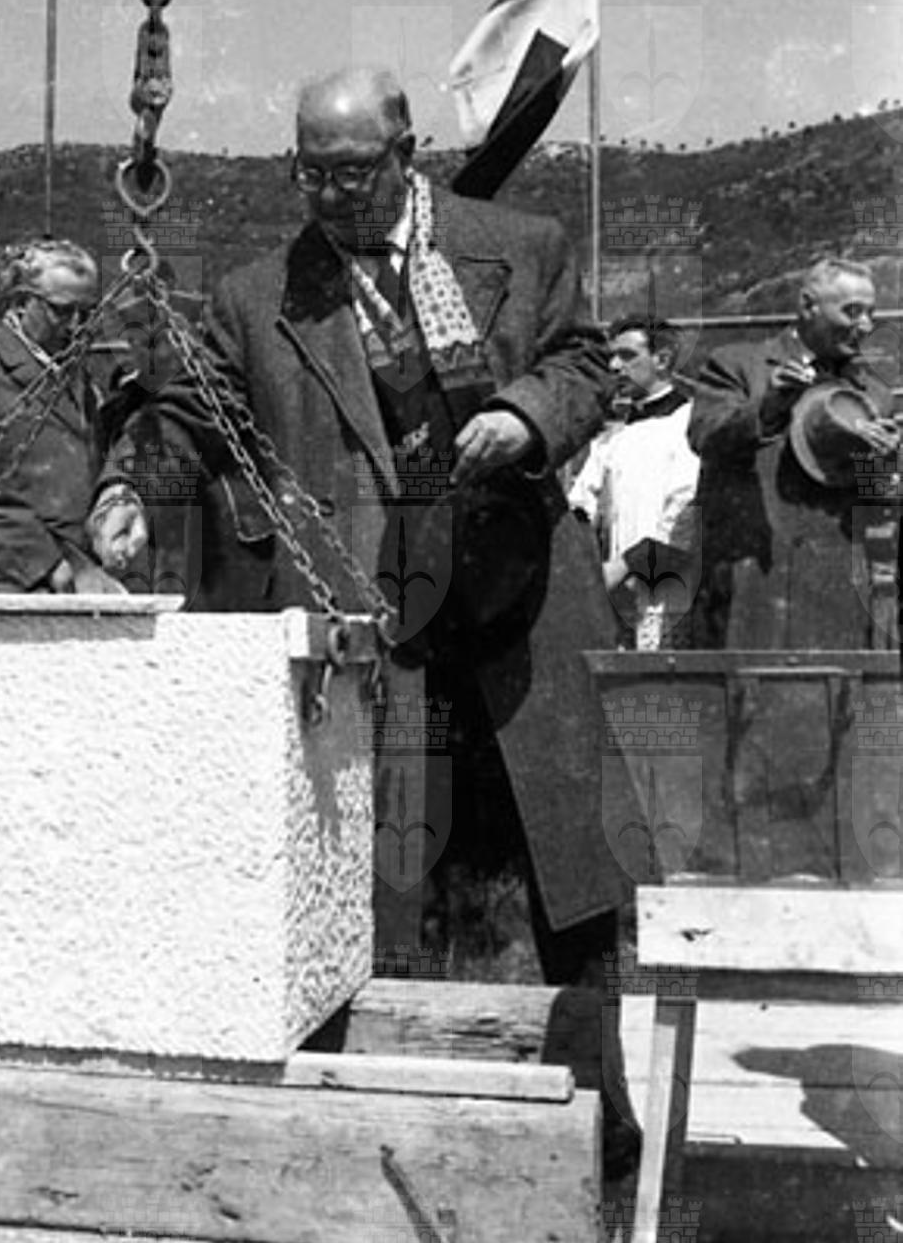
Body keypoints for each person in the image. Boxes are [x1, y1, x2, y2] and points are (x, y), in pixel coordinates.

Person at [91, 70, 637, 987]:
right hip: (375, 626)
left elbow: (582, 363)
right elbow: (192, 414)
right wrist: (130, 489)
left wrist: (526, 417)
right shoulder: (257, 297)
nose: (331, 194)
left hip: (520, 611)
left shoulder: (521, 245)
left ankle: (592, 1070)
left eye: (351, 171)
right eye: (310, 174)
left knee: (567, 883)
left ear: (405, 152)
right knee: (377, 889)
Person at [688, 258, 898, 649]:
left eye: (871, 313)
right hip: (751, 590)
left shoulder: (873, 395)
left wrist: (886, 462)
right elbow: (706, 438)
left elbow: (875, 503)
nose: (865, 325)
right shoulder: (738, 365)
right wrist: (769, 405)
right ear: (807, 305)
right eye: (852, 311)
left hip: (835, 600)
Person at [0, 238, 136, 594]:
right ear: (21, 302)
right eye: (62, 310)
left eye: (88, 312)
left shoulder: (74, 375)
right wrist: (49, 564)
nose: (77, 325)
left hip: (65, 583)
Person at [568, 317, 701, 648]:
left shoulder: (691, 424)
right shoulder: (613, 437)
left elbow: (684, 514)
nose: (615, 366)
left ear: (662, 360)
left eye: (627, 356)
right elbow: (580, 505)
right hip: (616, 596)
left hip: (671, 592)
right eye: (612, 356)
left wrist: (627, 565)